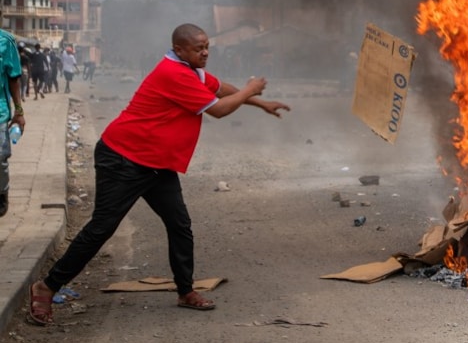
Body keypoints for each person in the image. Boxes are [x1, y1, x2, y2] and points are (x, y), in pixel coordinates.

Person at [27, 24, 291, 325]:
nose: (205, 52)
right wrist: (250, 90)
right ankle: (46, 287)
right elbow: (218, 109)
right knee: (102, 228)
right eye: (197, 48)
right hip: (123, 158)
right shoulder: (174, 73)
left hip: (156, 163)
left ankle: (185, 291)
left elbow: (220, 88)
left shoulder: (192, 71)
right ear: (179, 49)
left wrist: (260, 103)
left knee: (179, 224)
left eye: (207, 47)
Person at [0, 30, 25, 217]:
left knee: (0, 157)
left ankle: (1, 193)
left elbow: (14, 78)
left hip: (0, 112)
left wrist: (19, 111)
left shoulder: (5, 41)